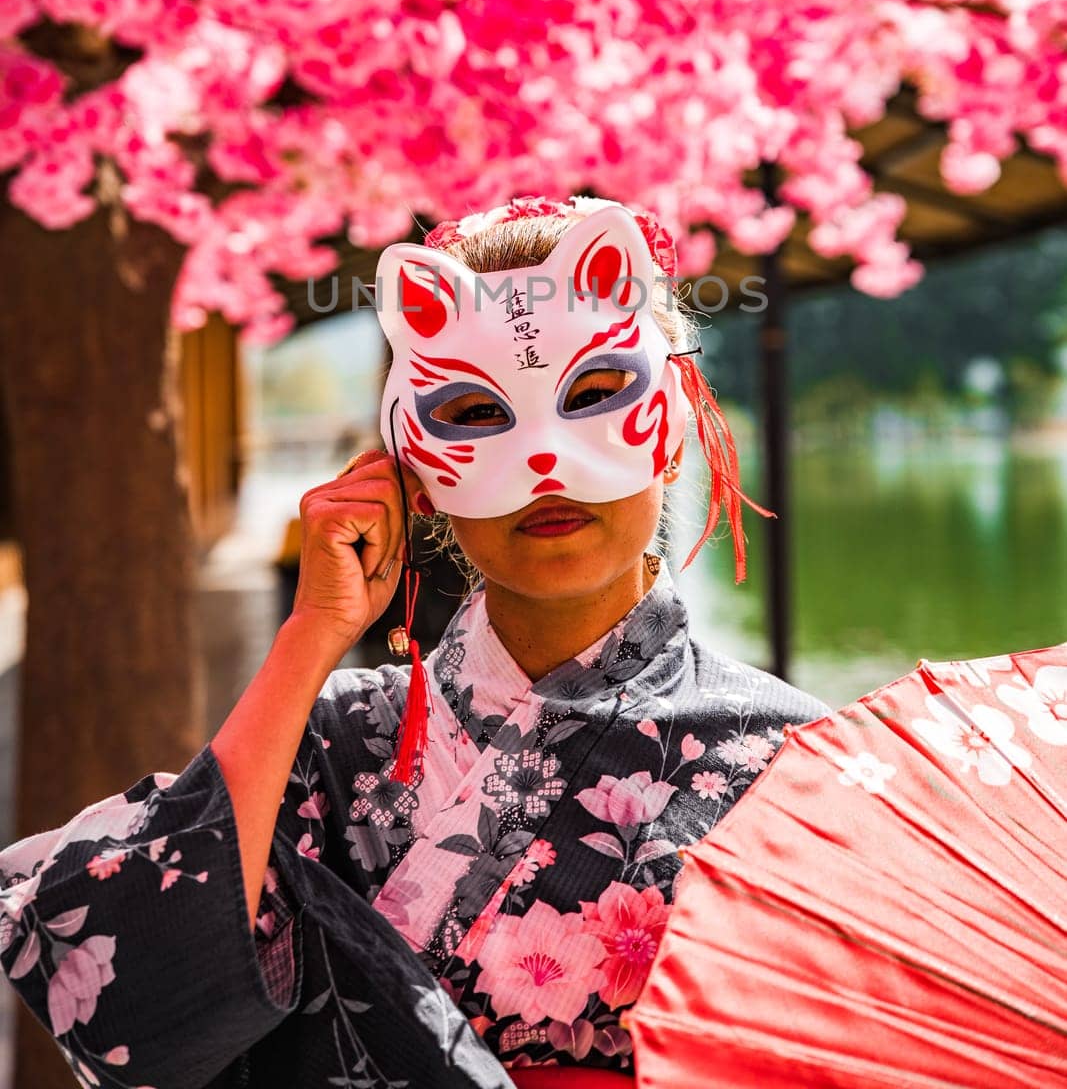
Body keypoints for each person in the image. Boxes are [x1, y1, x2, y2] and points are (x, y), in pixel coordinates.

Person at [0, 195, 831, 1089]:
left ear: (671, 431)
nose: (545, 464)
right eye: (475, 415)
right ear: (416, 476)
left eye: (595, 397)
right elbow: (139, 998)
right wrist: (310, 637)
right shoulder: (328, 737)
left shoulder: (792, 760)